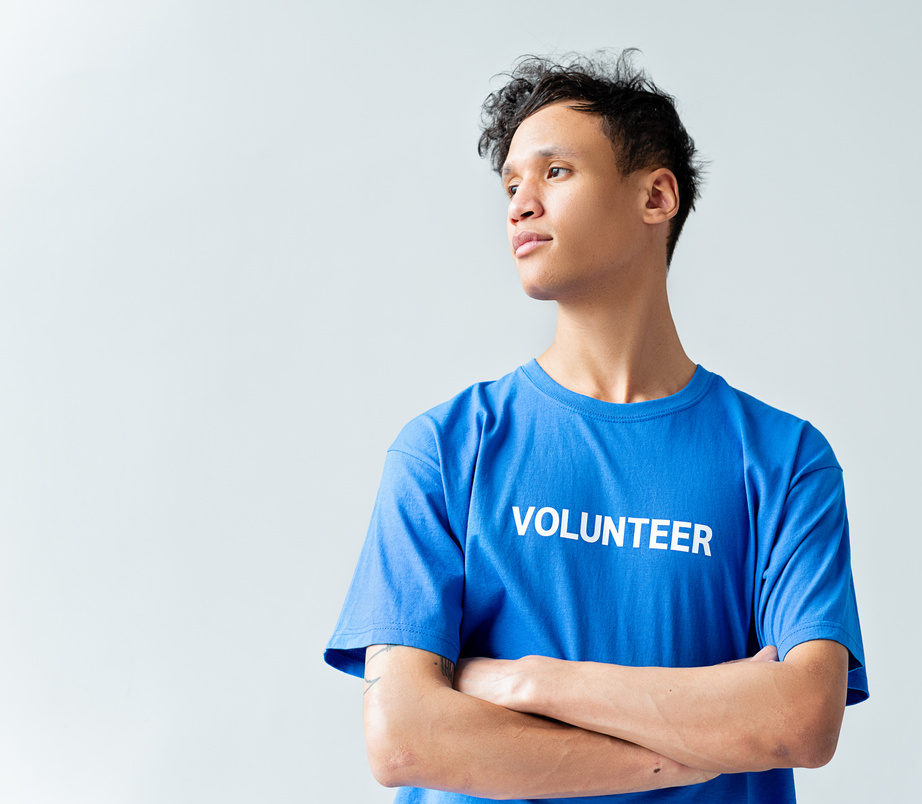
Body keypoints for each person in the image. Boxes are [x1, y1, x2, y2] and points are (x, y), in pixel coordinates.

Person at [324, 51, 868, 802]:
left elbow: (802, 719)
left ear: (655, 196)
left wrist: (527, 681)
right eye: (511, 183)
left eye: (555, 172)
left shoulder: (783, 459)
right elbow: (403, 736)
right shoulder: (446, 450)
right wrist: (678, 751)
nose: (520, 203)